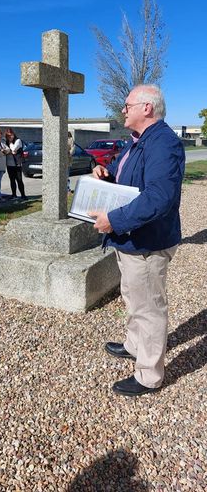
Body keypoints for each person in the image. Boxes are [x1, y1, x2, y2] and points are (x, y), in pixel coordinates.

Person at [89, 85, 185, 397]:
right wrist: (105, 172)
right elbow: (124, 175)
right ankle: (134, 345)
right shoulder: (140, 142)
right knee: (133, 296)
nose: (122, 110)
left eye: (127, 105)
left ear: (147, 108)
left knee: (149, 308)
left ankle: (149, 375)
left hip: (148, 242)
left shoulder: (163, 144)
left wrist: (113, 220)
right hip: (132, 241)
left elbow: (160, 197)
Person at [5, 128, 26, 200]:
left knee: (19, 180)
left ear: (13, 134)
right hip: (9, 164)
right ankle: (14, 195)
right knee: (12, 180)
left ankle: (23, 195)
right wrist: (10, 151)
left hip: (17, 164)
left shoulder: (18, 140)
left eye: (11, 135)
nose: (10, 137)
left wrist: (10, 144)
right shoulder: (6, 142)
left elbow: (14, 149)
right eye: (8, 136)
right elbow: (7, 151)